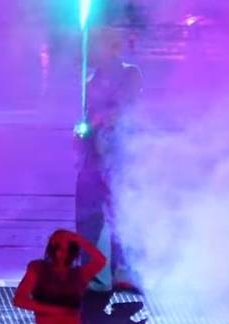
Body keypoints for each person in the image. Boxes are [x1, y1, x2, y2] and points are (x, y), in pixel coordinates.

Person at [75, 27, 143, 292]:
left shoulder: (129, 73)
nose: (91, 51)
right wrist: (83, 132)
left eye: (97, 45)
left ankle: (123, 271)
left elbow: (125, 106)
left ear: (112, 47)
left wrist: (100, 119)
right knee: (89, 218)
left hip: (120, 156)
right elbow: (87, 116)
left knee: (121, 215)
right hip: (94, 158)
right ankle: (91, 273)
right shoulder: (90, 81)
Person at [13, 229, 106, 324]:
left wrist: (78, 239)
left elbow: (100, 260)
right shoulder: (38, 268)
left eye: (67, 249)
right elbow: (19, 300)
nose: (62, 253)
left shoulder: (79, 274)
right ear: (53, 248)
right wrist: (56, 310)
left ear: (72, 251)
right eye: (59, 248)